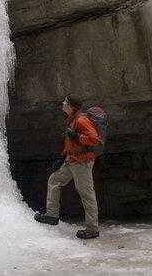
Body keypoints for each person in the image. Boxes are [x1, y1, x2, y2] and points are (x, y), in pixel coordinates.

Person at [34, 96, 101, 239]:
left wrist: (77, 137)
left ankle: (92, 229)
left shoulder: (81, 119)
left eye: (65, 102)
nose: (63, 103)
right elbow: (70, 143)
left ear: (71, 106)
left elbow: (94, 139)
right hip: (71, 160)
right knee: (54, 180)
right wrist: (62, 157)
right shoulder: (71, 119)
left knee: (86, 193)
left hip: (82, 162)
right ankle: (52, 215)